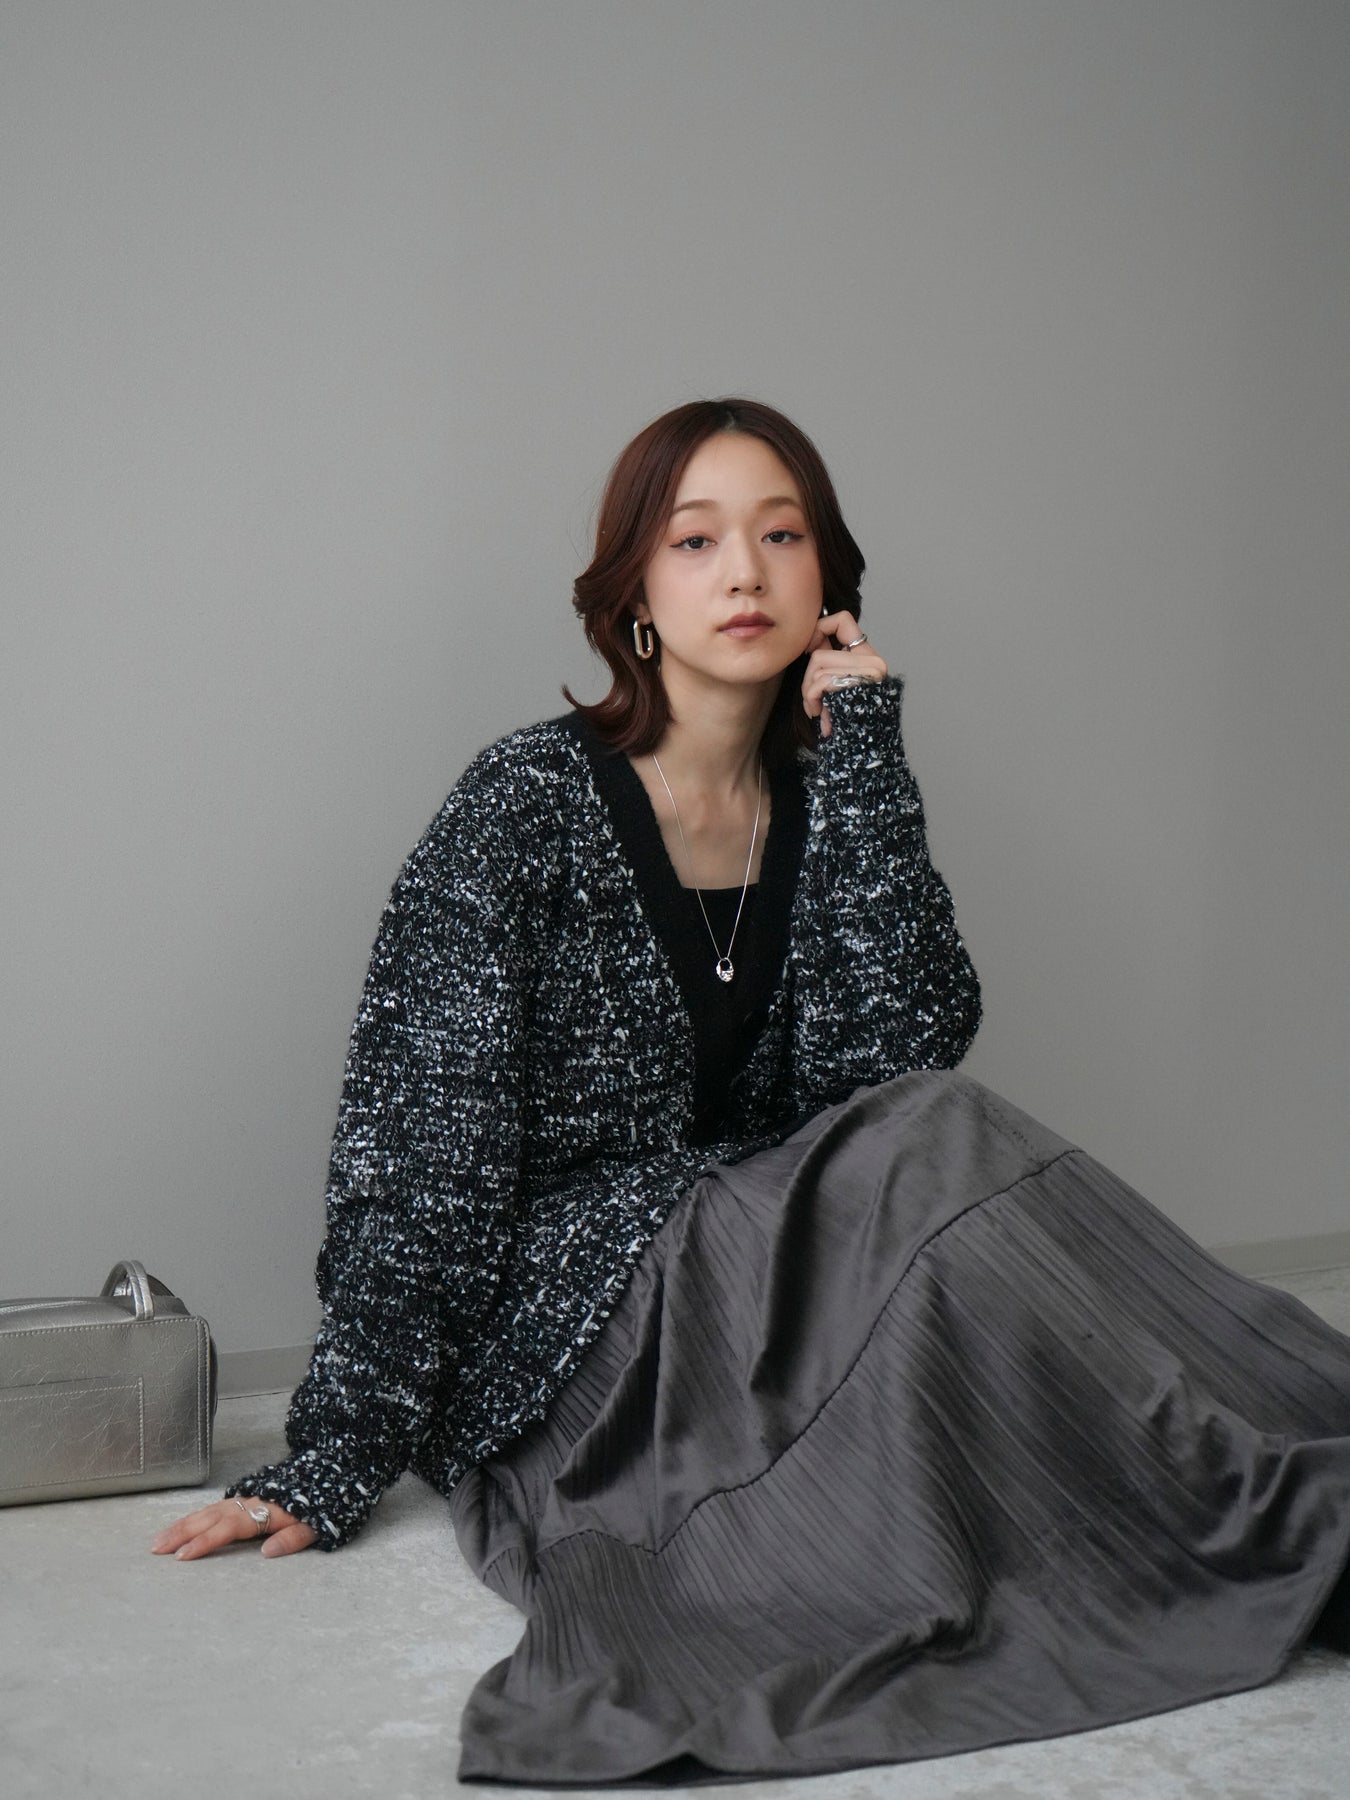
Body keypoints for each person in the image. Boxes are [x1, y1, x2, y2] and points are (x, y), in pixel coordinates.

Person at [151, 400, 1350, 1784]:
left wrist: (867, 759)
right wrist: (333, 1453)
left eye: (781, 537)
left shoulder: (826, 793)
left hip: (774, 1274)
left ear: (826, 580)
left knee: (939, 1144)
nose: (743, 573)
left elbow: (889, 1068)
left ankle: (1274, 1475)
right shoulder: (522, 805)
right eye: (696, 540)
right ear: (634, 593)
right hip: (591, 1316)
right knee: (940, 1147)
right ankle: (1264, 1483)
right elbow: (425, 1153)